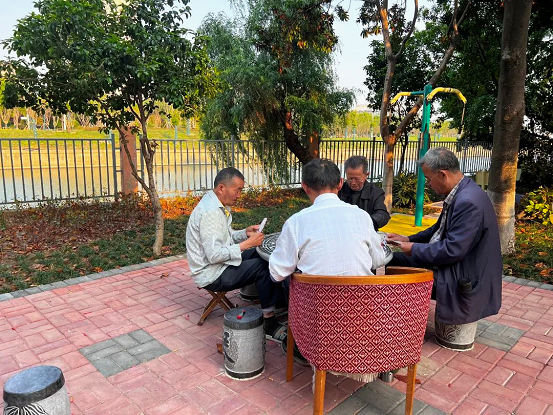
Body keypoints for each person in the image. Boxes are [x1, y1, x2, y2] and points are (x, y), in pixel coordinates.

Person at [269, 158, 387, 368]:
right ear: (340, 183)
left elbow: (277, 272)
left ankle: (303, 346)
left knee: (290, 279)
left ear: (305, 187)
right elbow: (378, 260)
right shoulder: (362, 217)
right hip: (361, 311)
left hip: (317, 318)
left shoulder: (296, 222)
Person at [387, 147, 502, 326]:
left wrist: (414, 249)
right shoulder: (461, 191)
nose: (428, 184)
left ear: (442, 174)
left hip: (463, 273)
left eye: (428, 179)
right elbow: (439, 228)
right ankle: (404, 314)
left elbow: (453, 250)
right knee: (393, 259)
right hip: (456, 263)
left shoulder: (467, 202)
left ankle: (405, 319)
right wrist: (408, 239)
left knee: (398, 265)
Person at [186, 167, 286, 343]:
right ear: (221, 188)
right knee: (263, 266)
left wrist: (244, 234)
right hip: (211, 272)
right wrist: (246, 244)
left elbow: (225, 238)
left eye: (241, 190)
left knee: (259, 254)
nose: (239, 195)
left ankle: (273, 301)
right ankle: (269, 321)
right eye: (237, 190)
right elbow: (214, 255)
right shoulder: (210, 212)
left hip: (219, 264)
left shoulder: (216, 204)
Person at [338, 155, 390, 230]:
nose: (353, 183)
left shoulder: (375, 193)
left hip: (366, 231)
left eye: (357, 179)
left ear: (366, 175)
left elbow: (382, 214)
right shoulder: (339, 190)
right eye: (350, 178)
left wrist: (367, 222)